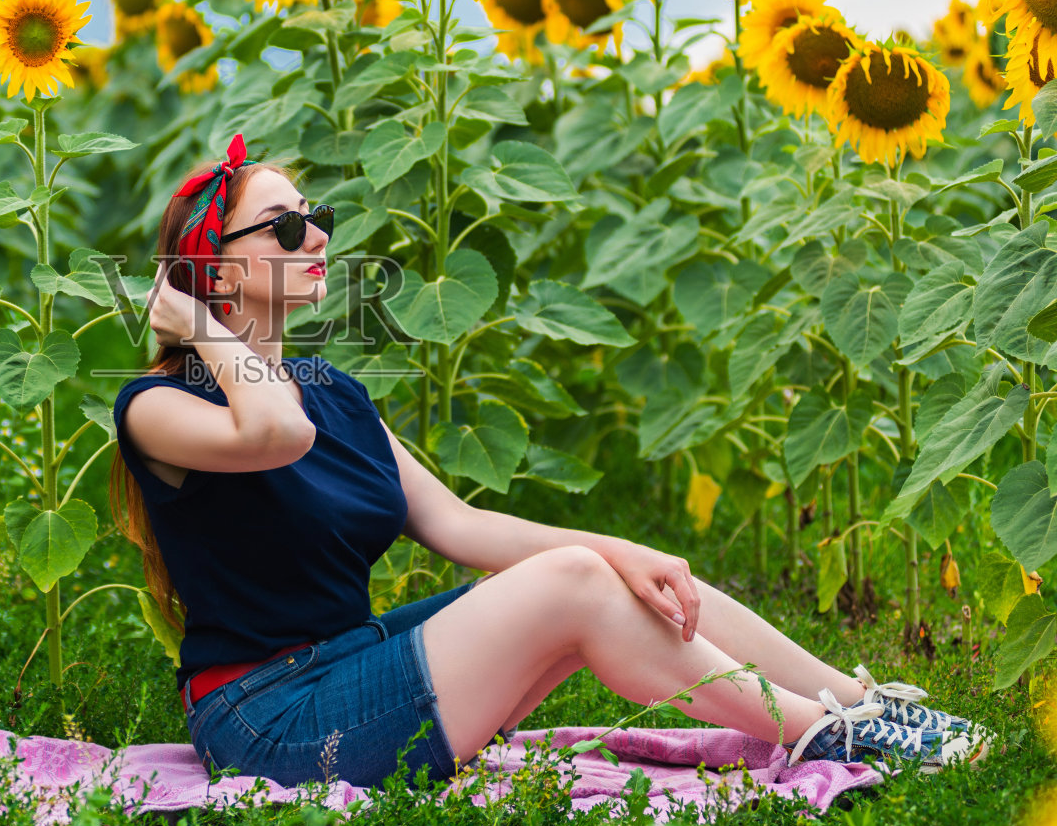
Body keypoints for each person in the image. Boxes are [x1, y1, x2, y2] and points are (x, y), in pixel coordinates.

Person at [106, 134, 994, 791]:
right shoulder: (157, 408)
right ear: (211, 270)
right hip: (269, 721)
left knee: (630, 573)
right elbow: (275, 436)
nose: (316, 239)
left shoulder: (330, 389)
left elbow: (461, 526)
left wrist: (626, 551)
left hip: (348, 668)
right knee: (576, 577)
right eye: (287, 226)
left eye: (320, 219)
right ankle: (818, 736)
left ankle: (859, 702)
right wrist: (196, 328)